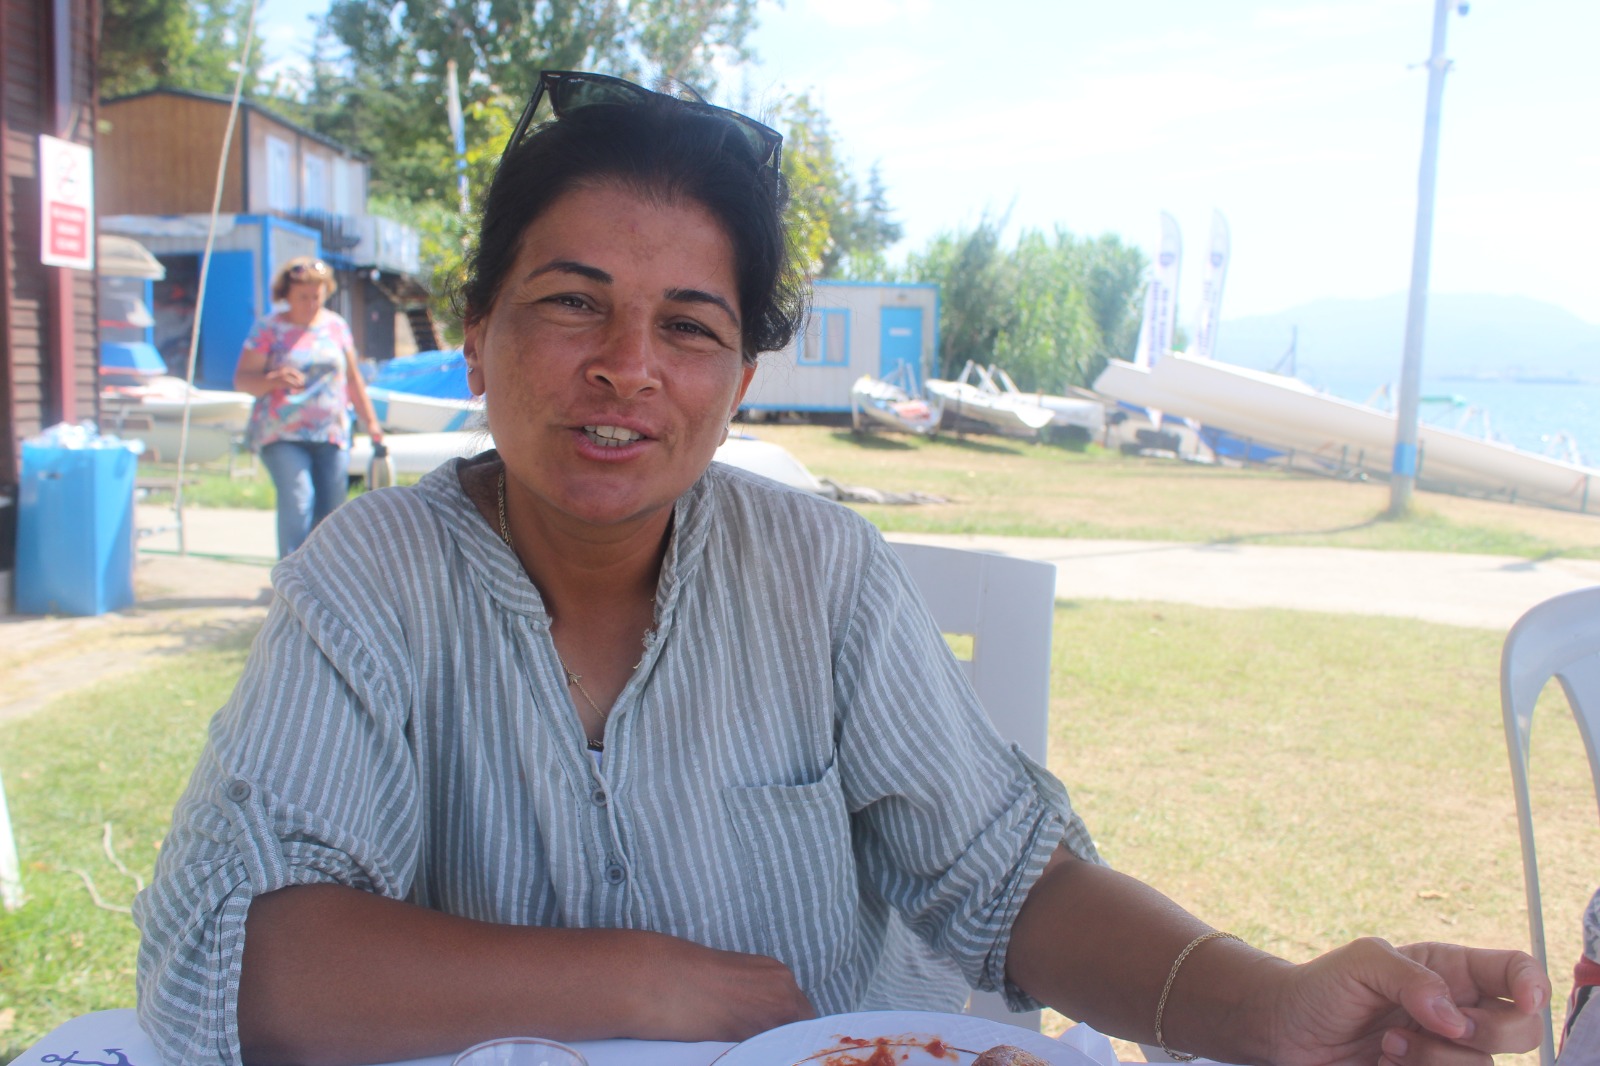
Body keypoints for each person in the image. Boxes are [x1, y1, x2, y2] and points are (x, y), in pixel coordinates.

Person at [135, 71, 1547, 1066]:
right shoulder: (371, 577)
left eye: (690, 327)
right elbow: (237, 957)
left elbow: (1008, 877)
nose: (626, 366)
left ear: (739, 379)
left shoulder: (819, 573)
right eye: (572, 303)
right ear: (479, 328)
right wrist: (645, 979)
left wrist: (1265, 1007)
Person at [233, 256, 385, 558]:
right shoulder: (268, 328)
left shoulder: (336, 326)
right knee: (299, 498)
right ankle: (291, 573)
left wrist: (371, 423)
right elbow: (242, 380)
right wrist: (273, 380)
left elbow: (352, 378)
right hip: (282, 433)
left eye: (317, 296)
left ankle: (325, 574)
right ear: (286, 295)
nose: (311, 303)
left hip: (330, 432)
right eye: (303, 297)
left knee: (331, 508)